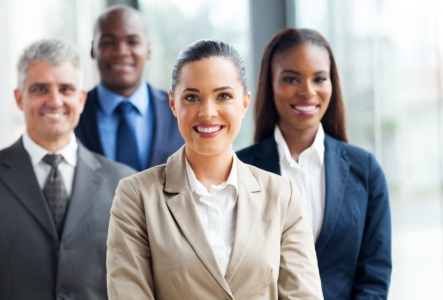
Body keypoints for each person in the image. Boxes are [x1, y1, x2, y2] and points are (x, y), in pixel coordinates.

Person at [106, 39, 323, 299]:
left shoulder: (282, 196)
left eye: (223, 96)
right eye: (192, 97)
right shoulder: (137, 196)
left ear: (244, 103)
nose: (207, 112)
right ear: (173, 103)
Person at [0, 38, 135, 299]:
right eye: (40, 89)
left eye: (65, 89)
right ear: (19, 98)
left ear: (80, 99)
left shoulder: (123, 182)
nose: (54, 101)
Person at [237, 28, 392, 299]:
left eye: (319, 78)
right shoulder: (239, 169)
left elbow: (374, 277)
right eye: (291, 79)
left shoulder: (365, 170)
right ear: (270, 85)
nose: (307, 91)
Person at [75, 5, 183, 171]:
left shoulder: (180, 111)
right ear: (92, 50)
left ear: (148, 49)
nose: (121, 52)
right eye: (108, 42)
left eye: (132, 42)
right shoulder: (73, 114)